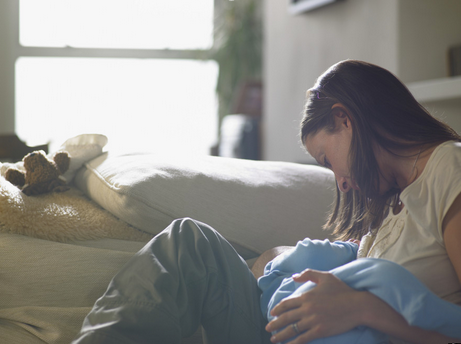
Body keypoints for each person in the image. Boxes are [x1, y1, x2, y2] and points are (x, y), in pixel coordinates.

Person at [72, 60, 461, 344]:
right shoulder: (391, 199)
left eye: (328, 161)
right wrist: (281, 258)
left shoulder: (449, 167)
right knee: (190, 242)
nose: (340, 183)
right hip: (292, 332)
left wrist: (362, 309)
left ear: (345, 120)